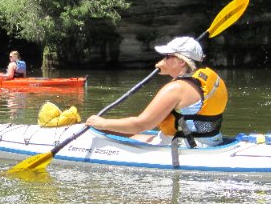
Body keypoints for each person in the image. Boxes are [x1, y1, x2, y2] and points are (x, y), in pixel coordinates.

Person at [85, 37, 227, 147]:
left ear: (181, 62)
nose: (163, 60)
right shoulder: (210, 80)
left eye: (167, 56)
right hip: (212, 141)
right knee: (132, 136)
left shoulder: (176, 89)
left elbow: (141, 125)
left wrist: (102, 123)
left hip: (186, 146)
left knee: (120, 133)